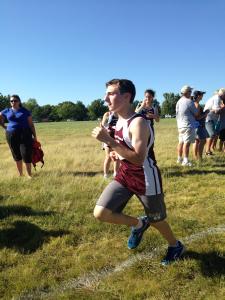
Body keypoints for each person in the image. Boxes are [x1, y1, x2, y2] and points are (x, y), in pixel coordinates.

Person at [92, 78, 185, 265]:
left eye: (111, 93)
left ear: (126, 97)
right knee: (101, 212)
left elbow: (138, 158)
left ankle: (175, 246)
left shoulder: (138, 123)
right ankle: (139, 224)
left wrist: (110, 142)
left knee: (157, 220)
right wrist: (116, 155)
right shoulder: (118, 120)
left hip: (146, 177)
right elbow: (127, 152)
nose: (105, 98)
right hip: (125, 174)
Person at [0, 95, 37, 178]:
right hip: (11, 135)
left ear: (19, 101)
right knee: (16, 154)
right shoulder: (7, 110)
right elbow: (0, 116)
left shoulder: (25, 111)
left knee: (26, 153)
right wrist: (4, 126)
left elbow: (31, 124)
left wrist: (35, 136)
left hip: (25, 134)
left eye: (15, 100)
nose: (13, 102)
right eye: (11, 101)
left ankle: (29, 175)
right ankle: (21, 174)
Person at [176, 85, 199, 166]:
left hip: (180, 125)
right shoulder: (189, 101)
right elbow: (196, 113)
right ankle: (185, 161)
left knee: (181, 142)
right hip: (188, 125)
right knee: (187, 143)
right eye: (190, 91)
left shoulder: (178, 101)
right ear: (187, 92)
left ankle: (179, 158)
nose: (191, 93)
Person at [204, 88, 225, 155]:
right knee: (212, 134)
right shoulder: (217, 98)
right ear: (223, 94)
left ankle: (208, 151)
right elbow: (216, 111)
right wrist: (223, 108)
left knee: (212, 135)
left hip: (212, 119)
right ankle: (207, 151)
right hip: (209, 118)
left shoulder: (217, 98)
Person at [101, 111, 120, 178]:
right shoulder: (107, 114)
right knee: (108, 157)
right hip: (108, 137)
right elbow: (102, 125)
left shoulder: (120, 113)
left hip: (118, 138)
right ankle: (106, 175)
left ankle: (116, 174)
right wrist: (106, 129)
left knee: (117, 157)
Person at [192, 90, 208, 161]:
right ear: (198, 96)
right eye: (202, 95)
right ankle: (200, 158)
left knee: (196, 141)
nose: (202, 96)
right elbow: (197, 117)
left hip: (195, 126)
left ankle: (196, 157)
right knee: (203, 141)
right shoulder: (197, 105)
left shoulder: (193, 104)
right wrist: (206, 113)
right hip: (199, 126)